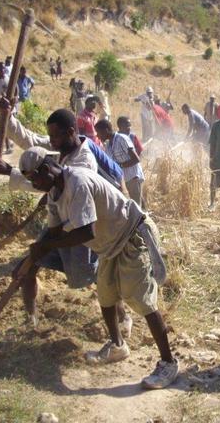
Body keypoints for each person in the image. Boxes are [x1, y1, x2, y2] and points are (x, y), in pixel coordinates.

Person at [19, 147, 178, 388]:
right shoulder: (54, 194)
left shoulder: (78, 182)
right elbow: (52, 232)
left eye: (34, 178)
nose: (35, 184)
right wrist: (33, 256)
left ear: (46, 168)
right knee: (106, 297)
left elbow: (86, 231)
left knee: (141, 300)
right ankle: (117, 346)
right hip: (109, 246)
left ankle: (168, 363)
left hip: (131, 236)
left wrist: (47, 245)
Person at [0, 102, 130, 331]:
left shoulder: (83, 161)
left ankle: (123, 318)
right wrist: (8, 116)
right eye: (50, 136)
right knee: (29, 265)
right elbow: (32, 142)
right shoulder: (62, 147)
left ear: (71, 132)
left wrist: (10, 172)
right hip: (62, 222)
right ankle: (31, 321)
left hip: (85, 224)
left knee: (98, 276)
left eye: (55, 136)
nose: (51, 140)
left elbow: (47, 185)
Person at [96, 119, 145, 207]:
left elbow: (136, 159)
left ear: (106, 130)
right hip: (123, 181)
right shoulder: (107, 146)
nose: (97, 136)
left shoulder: (121, 138)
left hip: (133, 177)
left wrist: (119, 166)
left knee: (137, 209)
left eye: (98, 132)